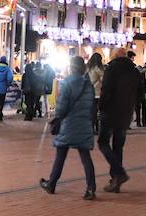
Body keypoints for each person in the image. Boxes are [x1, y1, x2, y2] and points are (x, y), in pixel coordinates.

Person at [40, 56, 96, 200]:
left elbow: (61, 106)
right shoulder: (87, 84)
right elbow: (91, 105)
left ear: (71, 67)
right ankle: (91, 189)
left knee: (60, 156)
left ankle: (51, 184)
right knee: (86, 158)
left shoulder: (67, 83)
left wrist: (58, 117)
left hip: (68, 124)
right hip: (83, 124)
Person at [97, 47, 139, 193]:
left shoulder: (112, 68)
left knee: (102, 142)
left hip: (110, 112)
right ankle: (116, 180)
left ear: (114, 56)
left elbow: (106, 90)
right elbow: (139, 92)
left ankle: (119, 174)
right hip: (126, 113)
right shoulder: (134, 70)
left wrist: (101, 106)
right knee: (118, 146)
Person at [87, 53, 104, 132]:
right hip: (97, 92)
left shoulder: (88, 68)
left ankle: (92, 127)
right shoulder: (98, 68)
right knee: (97, 111)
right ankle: (96, 127)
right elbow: (103, 78)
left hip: (89, 92)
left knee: (92, 111)